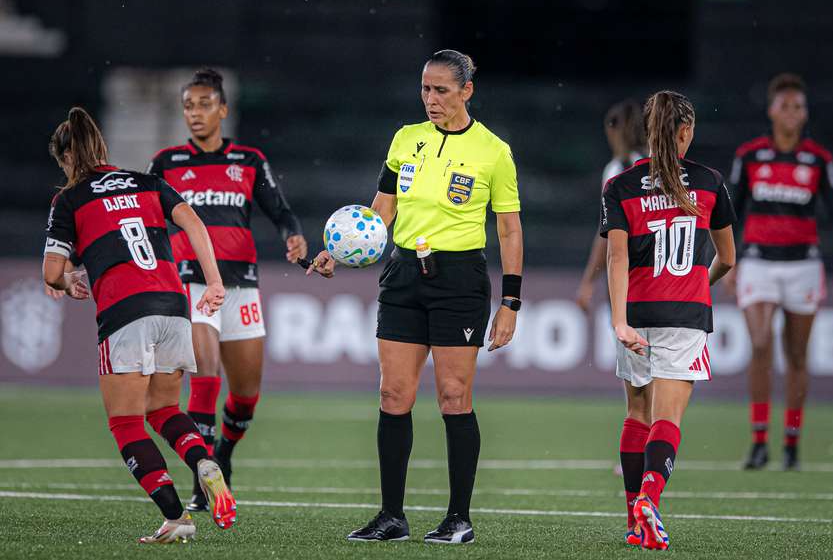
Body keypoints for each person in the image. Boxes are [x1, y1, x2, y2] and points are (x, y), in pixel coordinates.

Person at [308, 49, 523, 545]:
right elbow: (381, 209)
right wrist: (337, 252)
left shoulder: (494, 151)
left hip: (459, 280)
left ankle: (459, 519)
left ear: (467, 91)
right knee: (393, 394)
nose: (431, 99)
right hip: (404, 273)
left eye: (442, 90)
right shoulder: (406, 139)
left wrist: (511, 303)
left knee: (453, 397)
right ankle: (391, 517)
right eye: (425, 89)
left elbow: (509, 230)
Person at [42, 107, 236, 542]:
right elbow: (194, 222)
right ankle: (205, 462)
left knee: (126, 422)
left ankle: (175, 517)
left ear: (67, 158)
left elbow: (52, 271)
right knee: (164, 409)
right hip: (172, 305)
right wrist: (215, 280)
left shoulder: (69, 199)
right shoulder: (147, 181)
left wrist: (70, 278)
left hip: (124, 312)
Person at [149, 68, 313, 510]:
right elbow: (147, 222)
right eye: (188, 105)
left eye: (204, 104)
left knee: (244, 396)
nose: (196, 113)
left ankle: (224, 453)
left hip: (242, 287)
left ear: (223, 109)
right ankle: (206, 479)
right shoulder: (166, 164)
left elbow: (280, 211)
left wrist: (292, 235)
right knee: (206, 376)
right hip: (194, 283)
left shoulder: (248, 161)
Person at [600, 91, 736, 550]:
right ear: (685, 132)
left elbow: (616, 259)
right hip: (684, 313)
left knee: (637, 414)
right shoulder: (710, 182)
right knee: (668, 419)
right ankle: (649, 501)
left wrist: (619, 321)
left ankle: (633, 523)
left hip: (636, 313)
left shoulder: (619, 185)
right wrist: (701, 283)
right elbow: (728, 258)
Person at [726, 73, 833, 470]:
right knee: (759, 343)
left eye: (798, 107)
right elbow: (730, 211)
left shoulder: (818, 159)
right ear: (771, 110)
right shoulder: (750, 155)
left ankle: (790, 443)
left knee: (798, 356)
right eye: (785, 105)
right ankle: (758, 441)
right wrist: (726, 259)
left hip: (803, 265)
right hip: (757, 262)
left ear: (805, 114)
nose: (791, 112)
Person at [576, 99, 647, 312]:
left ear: (614, 131)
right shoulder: (658, 163)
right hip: (660, 270)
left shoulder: (617, 170)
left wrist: (588, 280)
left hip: (627, 270)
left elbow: (606, 230)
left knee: (627, 338)